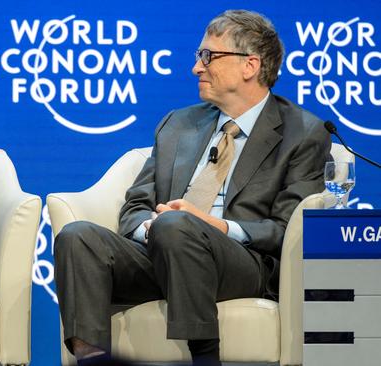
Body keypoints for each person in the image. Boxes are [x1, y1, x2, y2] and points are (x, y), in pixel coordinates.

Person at [54, 9, 331, 366]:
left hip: (240, 263)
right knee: (78, 237)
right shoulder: (178, 124)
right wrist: (151, 228)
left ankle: (204, 357)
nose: (196, 68)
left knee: (178, 225)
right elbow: (136, 205)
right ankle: (92, 359)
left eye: (209, 57)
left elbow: (288, 227)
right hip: (163, 249)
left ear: (250, 65)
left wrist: (217, 227)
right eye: (199, 57)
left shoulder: (303, 133)